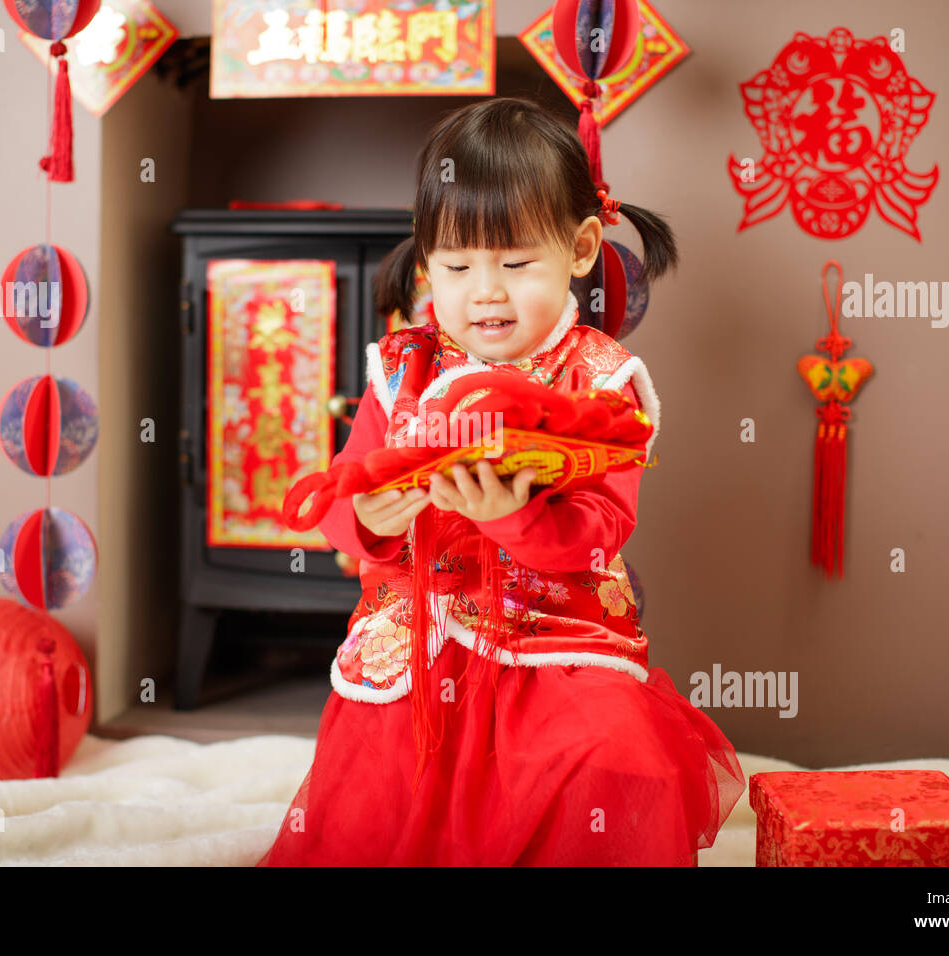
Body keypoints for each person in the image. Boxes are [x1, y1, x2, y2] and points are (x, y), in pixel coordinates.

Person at [257, 96, 744, 866]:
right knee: (384, 753)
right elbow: (345, 501)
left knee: (607, 746)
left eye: (516, 264)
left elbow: (602, 527)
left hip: (555, 631)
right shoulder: (403, 370)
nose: (485, 291)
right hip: (420, 629)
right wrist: (373, 517)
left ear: (581, 247)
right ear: (427, 266)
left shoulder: (601, 379)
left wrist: (516, 519)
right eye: (457, 267)